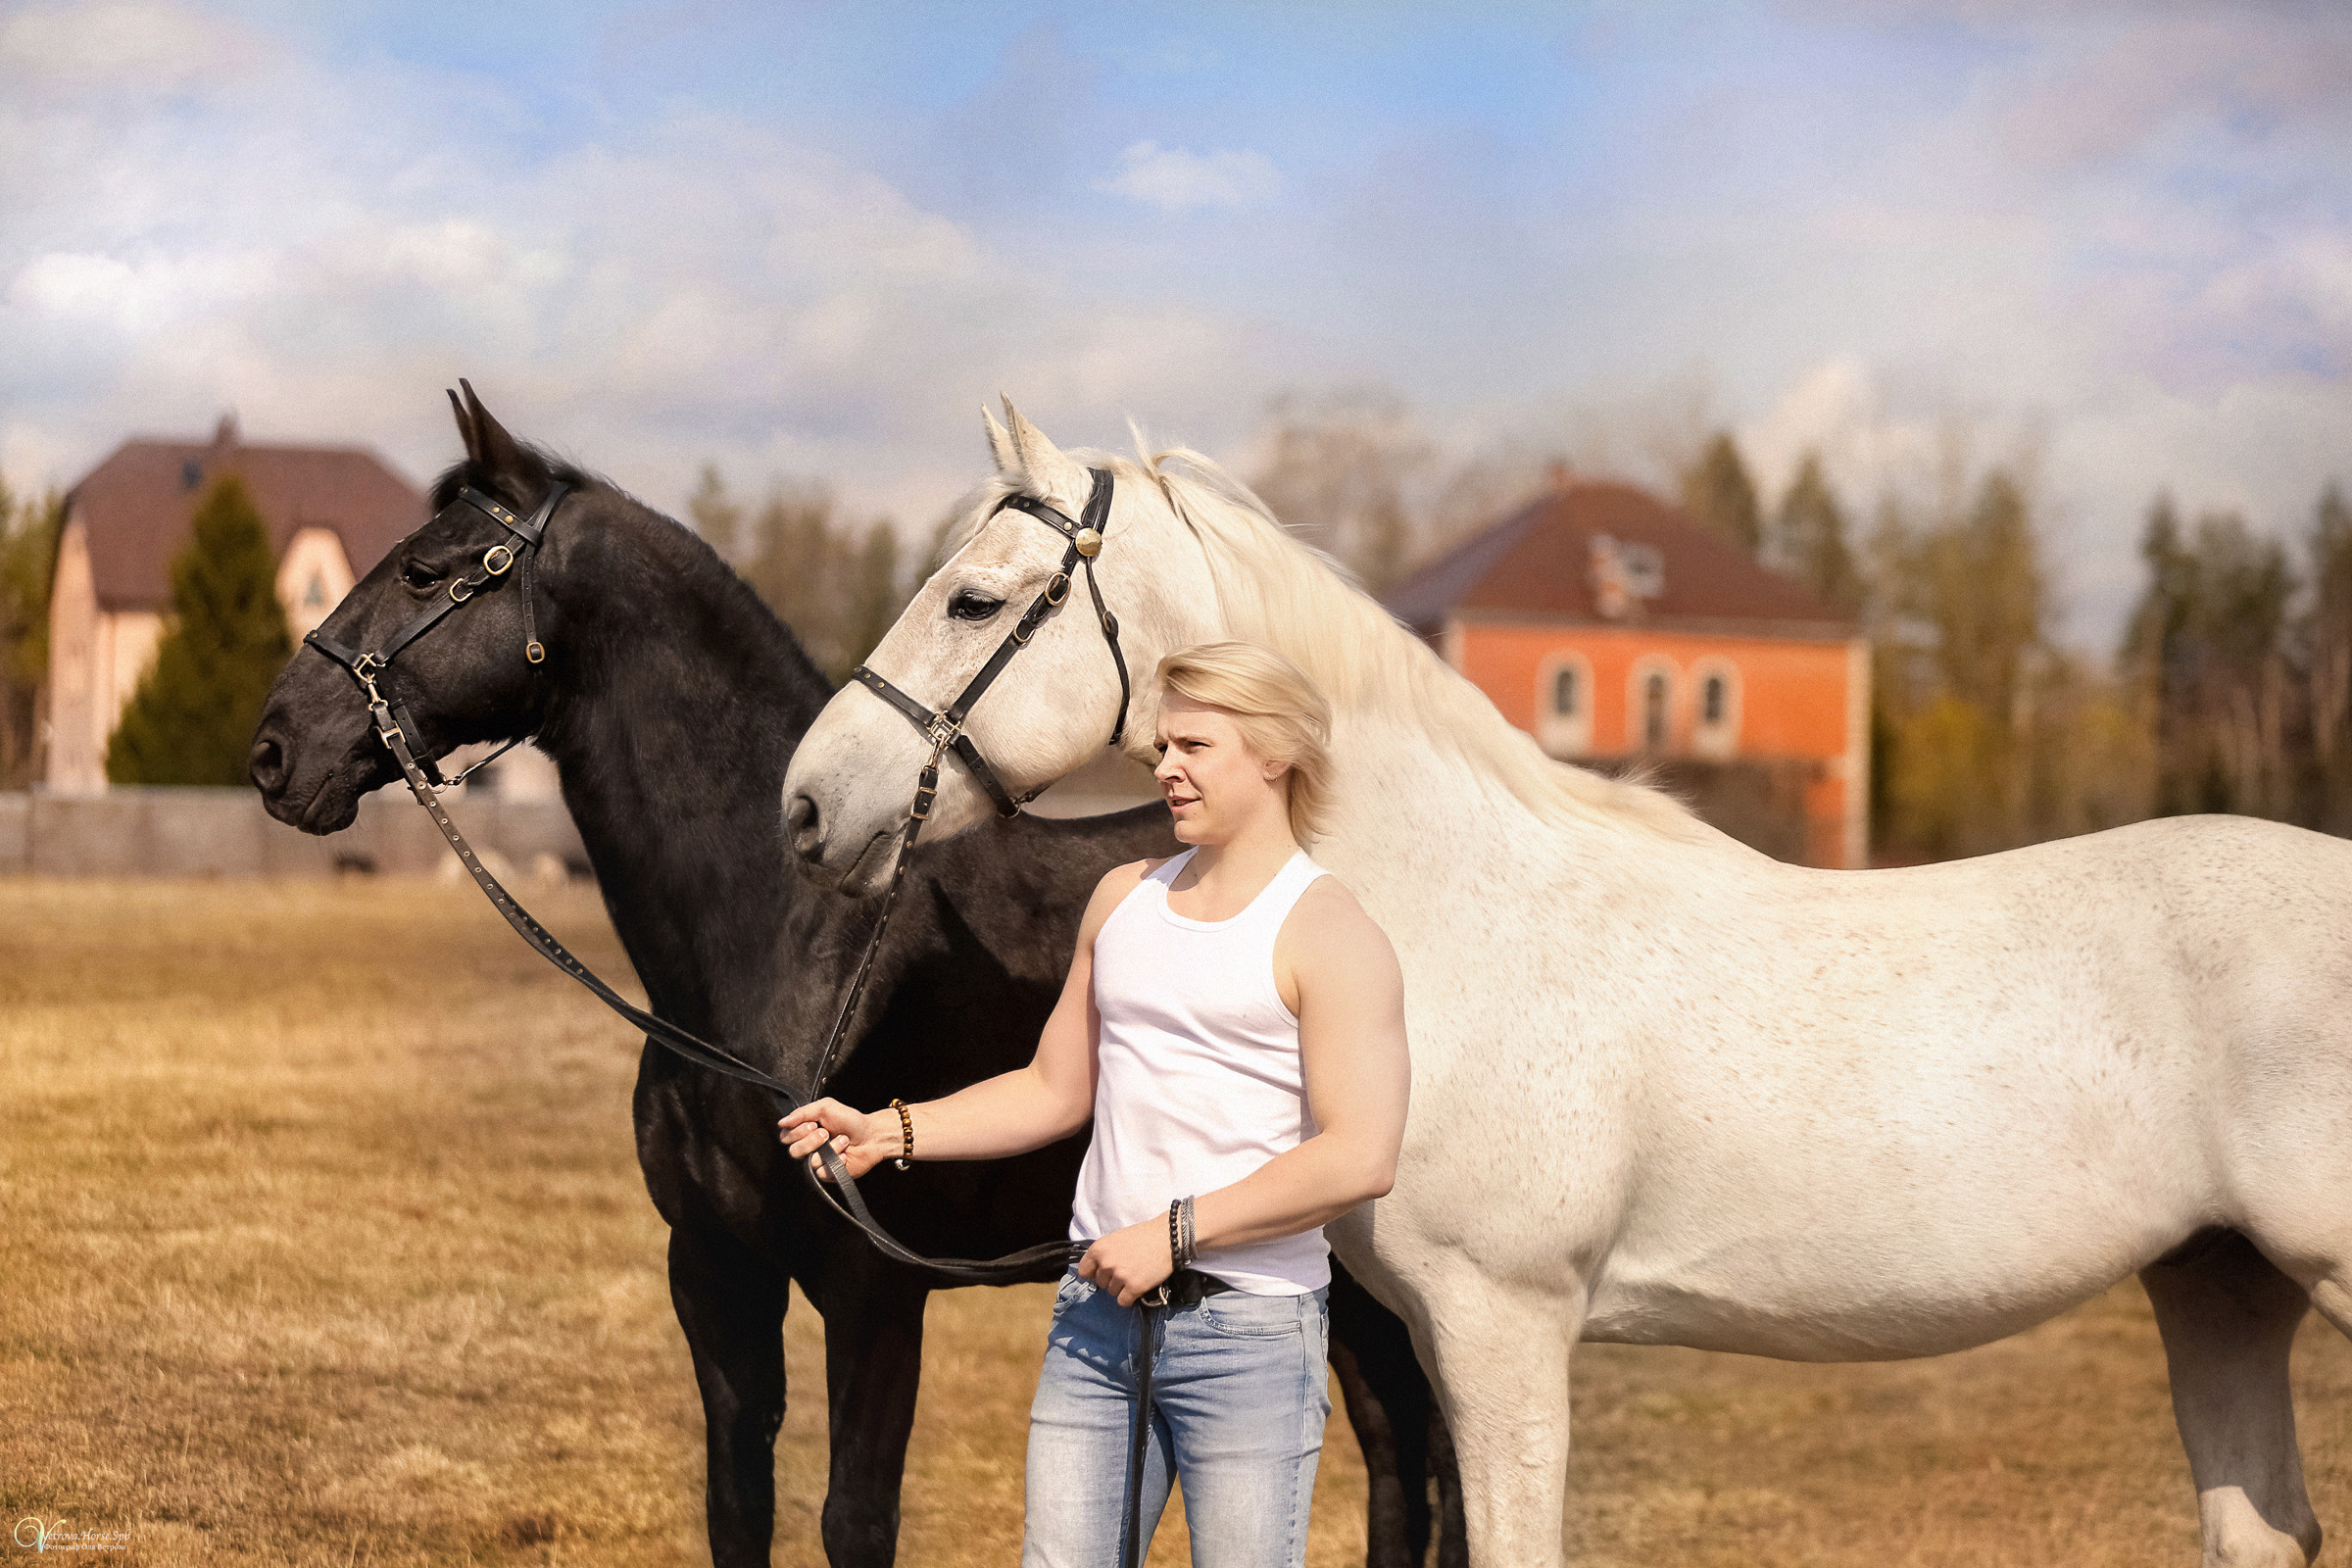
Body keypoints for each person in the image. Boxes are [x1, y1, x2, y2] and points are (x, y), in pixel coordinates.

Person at [780, 639, 1411, 1568]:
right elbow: (1050, 1089)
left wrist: (1176, 1233)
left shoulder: (1330, 930)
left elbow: (1361, 1155)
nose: (1166, 769)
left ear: (1274, 755)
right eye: (1162, 747)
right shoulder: (1122, 900)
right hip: (1096, 1326)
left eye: (1194, 745)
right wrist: (891, 1129)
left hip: (1249, 1337)